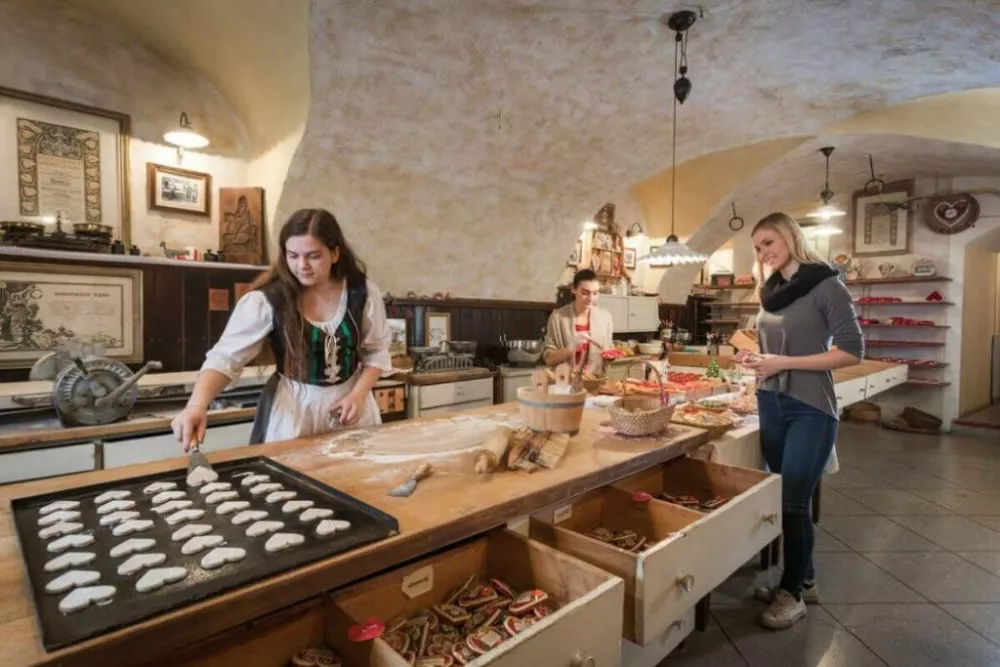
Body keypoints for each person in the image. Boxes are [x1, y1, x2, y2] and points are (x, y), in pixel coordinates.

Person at [170, 208, 393, 450]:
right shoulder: (267, 300)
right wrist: (197, 405)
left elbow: (376, 351)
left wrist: (358, 395)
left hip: (353, 406)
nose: (302, 265)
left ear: (335, 253)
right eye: (293, 255)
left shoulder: (362, 293)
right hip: (294, 410)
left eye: (313, 256)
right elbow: (225, 358)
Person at [743, 212, 864, 630]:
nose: (763, 253)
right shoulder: (771, 291)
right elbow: (773, 346)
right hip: (771, 401)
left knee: (794, 502)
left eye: (769, 243)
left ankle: (791, 593)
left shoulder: (827, 285)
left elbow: (851, 350)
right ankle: (803, 578)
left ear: (791, 237)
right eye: (757, 247)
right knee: (785, 499)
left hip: (810, 406)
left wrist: (784, 361)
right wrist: (760, 361)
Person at [543, 269, 614, 375]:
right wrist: (572, 348)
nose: (591, 299)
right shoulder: (558, 318)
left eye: (595, 293)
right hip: (565, 384)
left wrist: (611, 356)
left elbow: (608, 350)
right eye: (585, 293)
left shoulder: (605, 318)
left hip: (594, 382)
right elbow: (549, 359)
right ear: (574, 289)